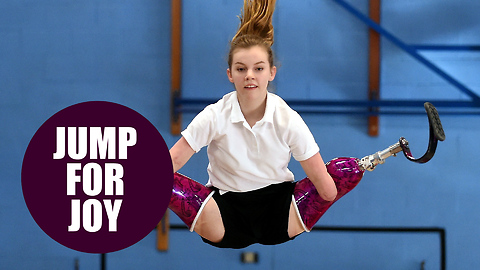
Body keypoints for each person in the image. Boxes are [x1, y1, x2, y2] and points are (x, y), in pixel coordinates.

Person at [168, 0, 337, 249]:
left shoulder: (287, 118)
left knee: (340, 176)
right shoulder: (214, 115)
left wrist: (348, 174)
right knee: (156, 178)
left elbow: (327, 190)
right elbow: (171, 162)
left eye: (258, 68)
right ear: (230, 74)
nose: (249, 75)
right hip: (224, 215)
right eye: (241, 68)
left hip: (280, 214)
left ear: (271, 73)